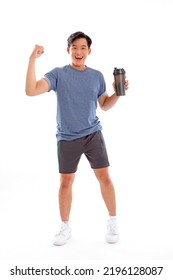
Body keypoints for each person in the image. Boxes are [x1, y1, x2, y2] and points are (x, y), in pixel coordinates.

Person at [25, 31, 129, 246]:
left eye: (83, 48)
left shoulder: (97, 76)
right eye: (75, 48)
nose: (79, 52)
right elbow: (31, 90)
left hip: (93, 134)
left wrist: (118, 92)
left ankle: (113, 222)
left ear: (89, 51)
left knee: (105, 178)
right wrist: (32, 59)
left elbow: (105, 106)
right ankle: (65, 228)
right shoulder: (58, 74)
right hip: (67, 137)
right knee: (66, 182)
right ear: (68, 50)